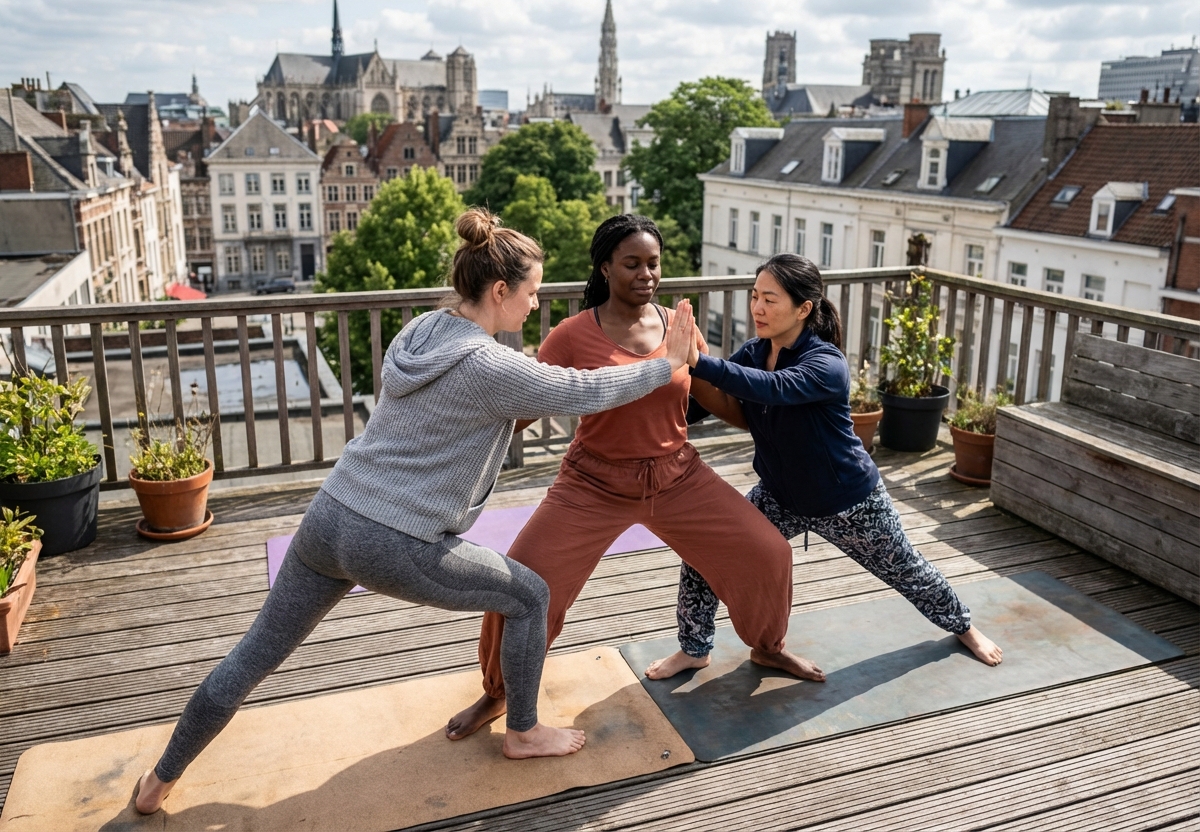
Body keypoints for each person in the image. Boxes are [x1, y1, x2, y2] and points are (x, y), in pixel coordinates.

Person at [133, 209, 700, 815]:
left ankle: (158, 782)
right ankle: (524, 732)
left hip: (329, 515)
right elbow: (582, 391)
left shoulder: (421, 332)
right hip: (393, 538)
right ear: (500, 291)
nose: (536, 304)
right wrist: (665, 363)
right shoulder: (491, 365)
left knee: (253, 656)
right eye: (532, 292)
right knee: (530, 596)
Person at [446, 216, 823, 741]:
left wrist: (798, 423)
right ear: (605, 268)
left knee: (768, 552)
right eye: (632, 263)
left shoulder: (678, 326)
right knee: (520, 582)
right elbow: (522, 408)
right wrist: (451, 433)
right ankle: (498, 690)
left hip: (676, 476)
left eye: (653, 263)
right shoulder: (571, 335)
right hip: (593, 483)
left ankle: (767, 646)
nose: (646, 274)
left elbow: (722, 402)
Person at [644, 253, 1003, 681]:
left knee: (908, 570)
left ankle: (964, 627)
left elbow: (773, 389)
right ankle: (694, 648)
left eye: (770, 300)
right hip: (780, 496)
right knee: (706, 553)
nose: (758, 308)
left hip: (847, 500)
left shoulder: (826, 363)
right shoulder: (755, 352)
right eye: (754, 297)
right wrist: (648, 420)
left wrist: (698, 361)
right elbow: (705, 402)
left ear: (804, 309)